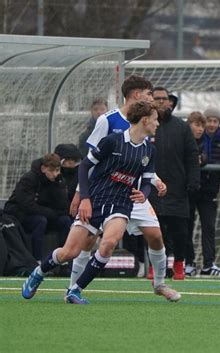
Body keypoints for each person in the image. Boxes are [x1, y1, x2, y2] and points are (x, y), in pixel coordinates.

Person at [21, 101, 175, 304]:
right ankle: (38, 273)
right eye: (155, 120)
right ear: (145, 120)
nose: (157, 124)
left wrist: (144, 194)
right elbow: (84, 167)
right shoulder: (112, 141)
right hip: (96, 199)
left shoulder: (149, 150)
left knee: (109, 243)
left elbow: (147, 180)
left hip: (121, 204)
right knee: (70, 252)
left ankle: (75, 290)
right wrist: (85, 198)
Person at [67, 76, 179, 300]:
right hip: (105, 192)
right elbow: (89, 160)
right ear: (137, 95)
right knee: (89, 241)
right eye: (148, 93)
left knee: (156, 236)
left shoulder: (147, 124)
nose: (151, 97)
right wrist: (81, 194)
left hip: (134, 195)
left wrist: (155, 181)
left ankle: (159, 284)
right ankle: (71, 287)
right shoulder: (107, 121)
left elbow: (142, 160)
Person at [150, 86, 200, 280]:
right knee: (155, 231)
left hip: (178, 188)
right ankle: (156, 267)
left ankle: (179, 264)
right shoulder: (145, 124)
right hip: (152, 188)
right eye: (157, 98)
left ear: (170, 102)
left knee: (180, 231)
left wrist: (193, 180)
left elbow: (191, 155)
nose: (161, 101)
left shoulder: (181, 127)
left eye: (164, 98)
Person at [189, 107, 220, 276]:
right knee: (187, 225)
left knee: (209, 227)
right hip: (191, 188)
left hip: (210, 189)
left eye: (214, 121)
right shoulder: (193, 138)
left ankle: (209, 264)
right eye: (207, 121)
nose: (210, 125)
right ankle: (188, 262)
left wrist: (210, 164)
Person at [4, 153, 71, 261]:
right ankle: (37, 260)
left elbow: (63, 206)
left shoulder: (57, 180)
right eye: (51, 171)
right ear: (43, 168)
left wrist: (59, 186)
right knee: (40, 221)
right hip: (21, 214)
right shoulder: (29, 179)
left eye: (57, 170)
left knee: (65, 221)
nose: (55, 174)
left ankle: (65, 259)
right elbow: (27, 205)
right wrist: (52, 213)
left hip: (44, 213)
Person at [185, 111, 207, 275]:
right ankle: (185, 260)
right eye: (197, 125)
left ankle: (190, 262)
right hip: (183, 191)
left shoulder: (205, 142)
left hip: (199, 191)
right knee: (184, 226)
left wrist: (203, 158)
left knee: (193, 226)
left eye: (202, 126)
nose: (200, 129)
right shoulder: (183, 140)